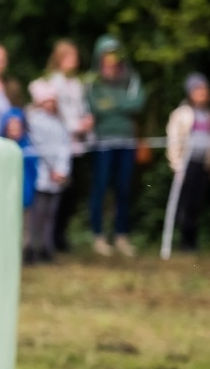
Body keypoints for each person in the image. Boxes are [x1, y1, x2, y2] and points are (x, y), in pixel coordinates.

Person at [86, 35, 146, 257]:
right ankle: (98, 236)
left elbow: (137, 103)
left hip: (126, 141)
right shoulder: (93, 81)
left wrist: (111, 104)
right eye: (107, 54)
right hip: (102, 143)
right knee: (100, 188)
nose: (110, 58)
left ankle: (122, 236)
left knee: (124, 189)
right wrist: (121, 105)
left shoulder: (131, 78)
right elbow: (96, 107)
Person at [43, 40, 92, 252]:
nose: (74, 61)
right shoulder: (52, 84)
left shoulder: (76, 84)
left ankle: (62, 234)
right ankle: (52, 236)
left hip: (77, 145)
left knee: (72, 192)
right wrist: (75, 126)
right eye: (70, 57)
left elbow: (81, 108)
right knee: (59, 192)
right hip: (60, 144)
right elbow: (57, 114)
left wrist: (87, 123)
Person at [165, 72, 210, 254]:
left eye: (205, 89)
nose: (203, 93)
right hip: (186, 164)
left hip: (203, 164)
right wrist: (177, 165)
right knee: (186, 203)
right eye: (198, 89)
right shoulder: (181, 114)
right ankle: (184, 241)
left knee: (197, 203)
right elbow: (173, 141)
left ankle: (192, 241)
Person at [25, 79, 72, 263]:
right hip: (41, 174)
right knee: (36, 214)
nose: (50, 104)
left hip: (57, 176)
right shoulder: (33, 121)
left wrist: (61, 170)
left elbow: (64, 147)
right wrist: (52, 168)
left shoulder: (59, 122)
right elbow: (38, 147)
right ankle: (31, 248)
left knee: (51, 214)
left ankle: (46, 247)